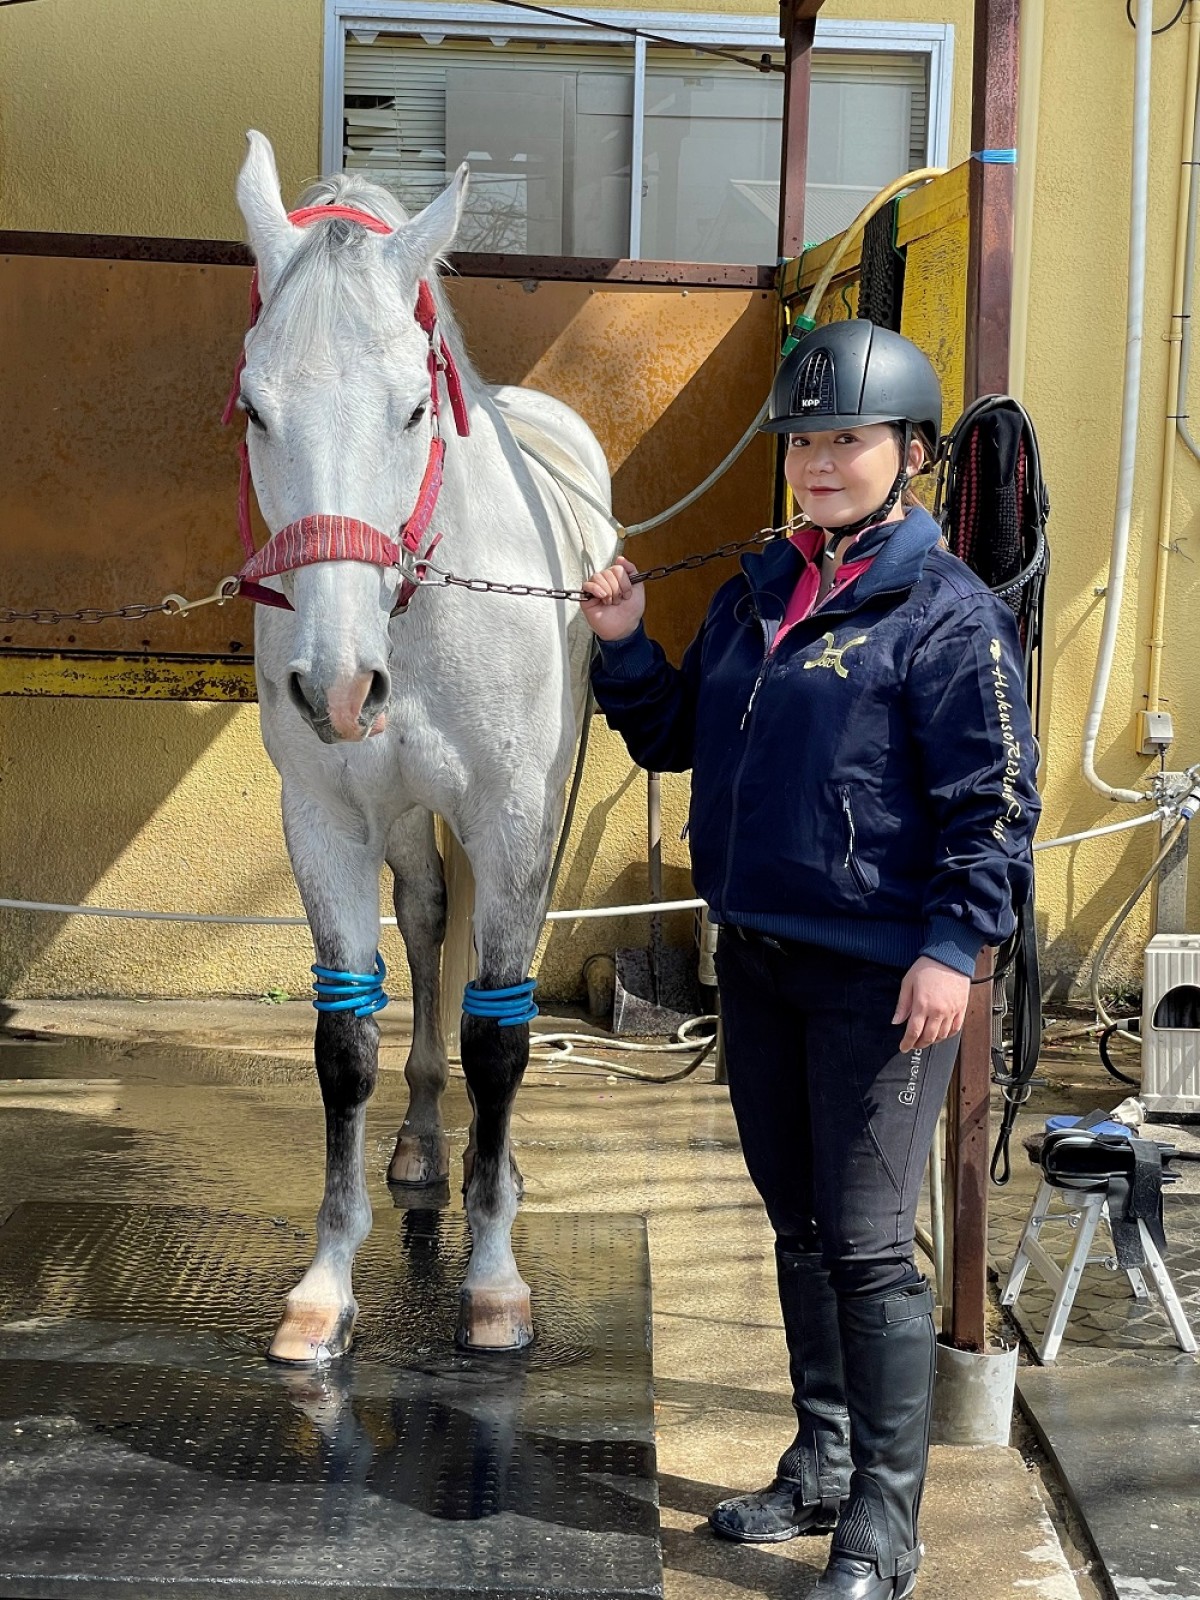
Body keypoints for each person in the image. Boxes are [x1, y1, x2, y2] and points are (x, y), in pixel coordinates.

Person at [580, 319, 1040, 1600]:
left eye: (847, 438)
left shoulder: (946, 616)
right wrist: (624, 639)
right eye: (803, 439)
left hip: (887, 984)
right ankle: (825, 1457)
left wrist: (956, 947)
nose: (819, 462)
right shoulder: (756, 590)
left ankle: (886, 1525)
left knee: (870, 1247)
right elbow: (680, 737)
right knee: (798, 1227)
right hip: (763, 964)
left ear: (908, 452)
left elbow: (996, 806)